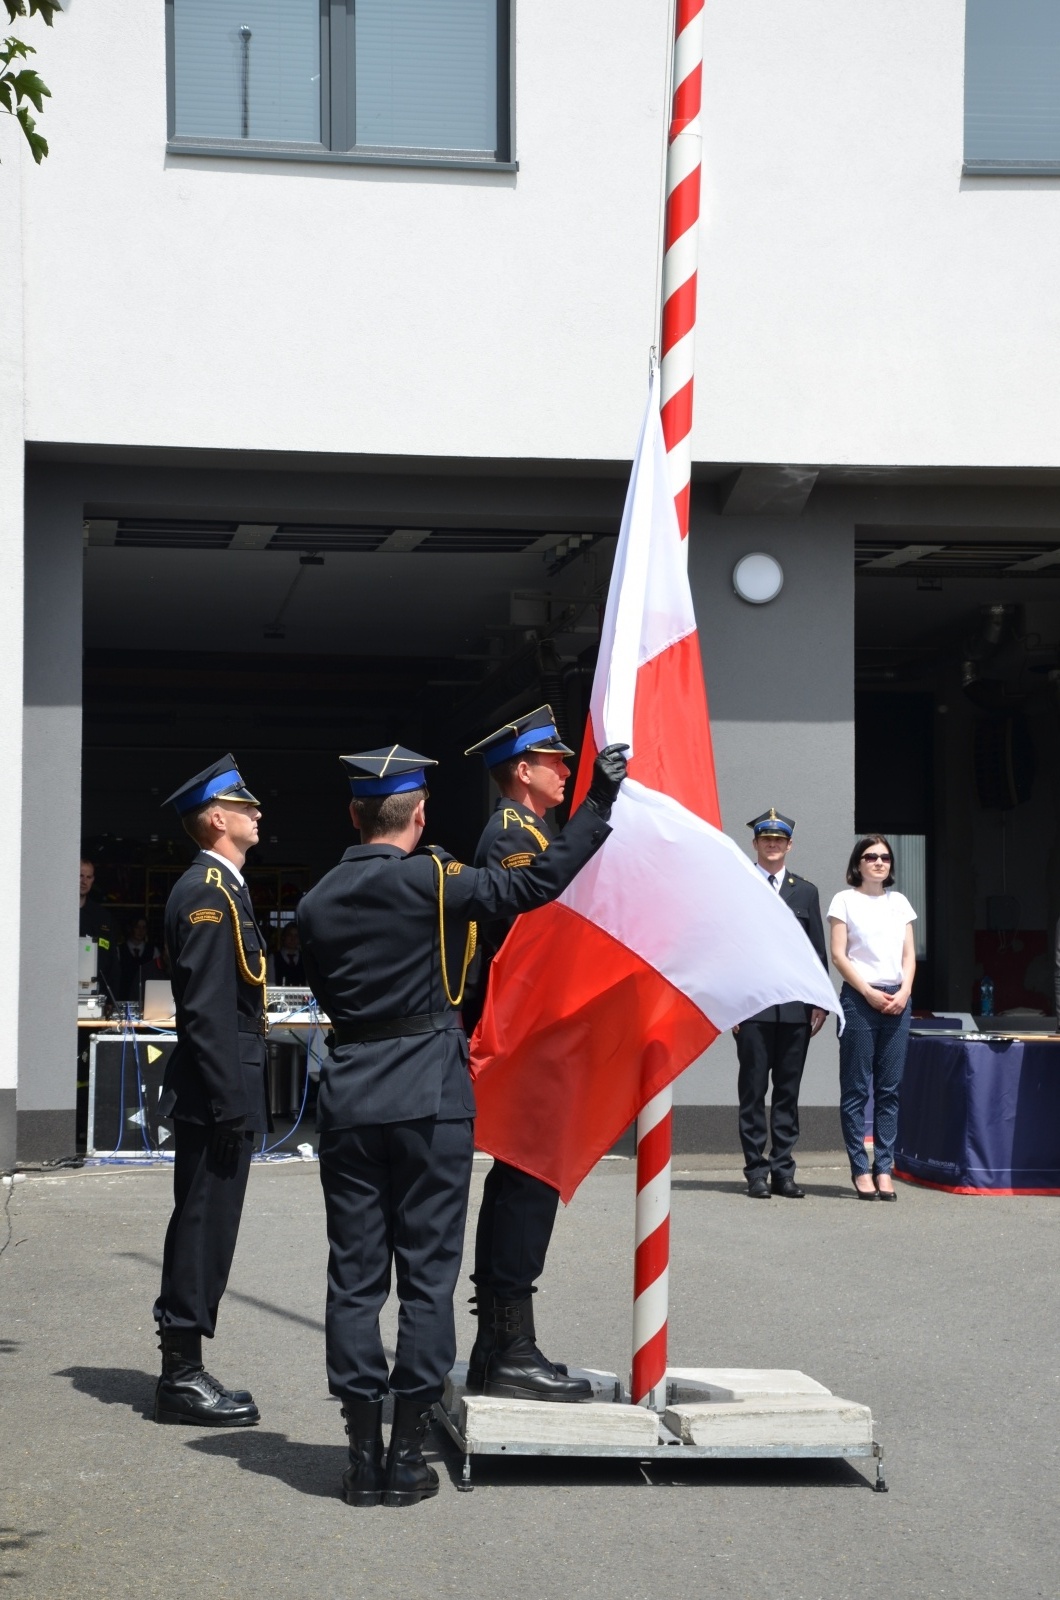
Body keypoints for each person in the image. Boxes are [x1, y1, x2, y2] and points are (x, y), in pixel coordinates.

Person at [297, 739, 626, 1508]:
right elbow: (536, 885)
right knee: (427, 1278)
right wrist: (600, 806)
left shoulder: (315, 901)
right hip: (430, 1098)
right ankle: (406, 1458)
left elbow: (323, 991)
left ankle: (359, 1452)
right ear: (418, 815)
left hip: (350, 1100)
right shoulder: (433, 879)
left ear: (354, 815)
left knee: (353, 1278)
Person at [460, 705, 592, 1400]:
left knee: (524, 1187)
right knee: (525, 1184)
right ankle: (508, 1349)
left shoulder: (536, 829)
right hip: (533, 1032)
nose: (567, 770)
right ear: (523, 770)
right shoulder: (513, 834)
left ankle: (503, 1343)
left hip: (544, 1031)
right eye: (556, 761)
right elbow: (536, 923)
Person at [152, 753, 268, 1426]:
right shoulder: (205, 891)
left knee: (209, 1229)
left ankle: (186, 1367)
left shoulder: (224, 886)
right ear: (218, 817)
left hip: (224, 1091)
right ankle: (181, 1376)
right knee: (201, 1229)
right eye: (246, 805)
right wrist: (230, 1104)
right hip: (216, 1095)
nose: (259, 813)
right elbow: (203, 1010)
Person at [733, 810, 829, 1200]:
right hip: (752, 1007)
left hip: (793, 1009)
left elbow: (815, 952)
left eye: (779, 840)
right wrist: (732, 1003)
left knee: (787, 1093)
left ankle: (783, 1171)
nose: (772, 844)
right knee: (753, 1092)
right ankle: (756, 1171)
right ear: (755, 844)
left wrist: (819, 1001)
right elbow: (730, 949)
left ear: (789, 845)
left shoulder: (804, 891)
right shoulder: (739, 885)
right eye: (765, 839)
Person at [828, 835, 917, 1202]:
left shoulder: (901, 903)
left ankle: (884, 1167)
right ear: (858, 863)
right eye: (870, 857)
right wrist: (867, 992)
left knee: (889, 1089)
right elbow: (838, 955)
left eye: (884, 857)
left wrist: (904, 992)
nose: (879, 862)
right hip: (859, 1000)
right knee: (856, 1089)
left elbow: (909, 956)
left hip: (897, 999)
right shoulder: (844, 900)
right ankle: (859, 1169)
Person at [79, 856, 121, 1003]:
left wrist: (111, 1000)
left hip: (98, 997)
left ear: (93, 880)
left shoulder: (102, 917)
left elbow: (113, 962)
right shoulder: (60, 914)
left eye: (88, 877)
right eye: (80, 875)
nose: (84, 881)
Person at [118, 915, 161, 1004]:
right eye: (137, 927)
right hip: (123, 997)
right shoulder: (119, 950)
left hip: (148, 999)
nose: (141, 931)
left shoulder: (153, 951)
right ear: (130, 928)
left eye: (144, 927)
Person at [268, 921, 306, 987]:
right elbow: (270, 984)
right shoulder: (273, 958)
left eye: (296, 936)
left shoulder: (306, 959)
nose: (293, 939)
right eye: (289, 935)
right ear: (283, 937)